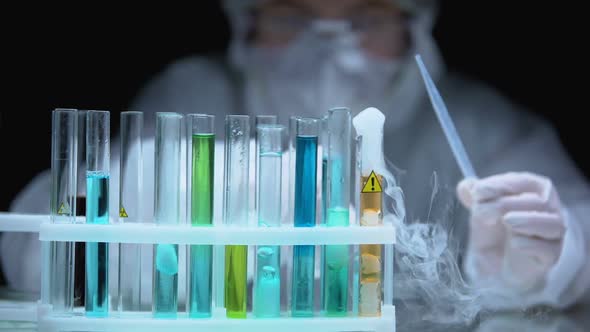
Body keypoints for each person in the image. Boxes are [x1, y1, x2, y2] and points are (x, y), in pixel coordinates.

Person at [2, 0, 590, 311]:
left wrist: (549, 262)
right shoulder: (191, 97)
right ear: (246, 21)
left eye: (367, 15)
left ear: (416, 25)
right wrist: (127, 213)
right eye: (290, 14)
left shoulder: (477, 117)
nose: (330, 42)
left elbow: (578, 215)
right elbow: (42, 235)